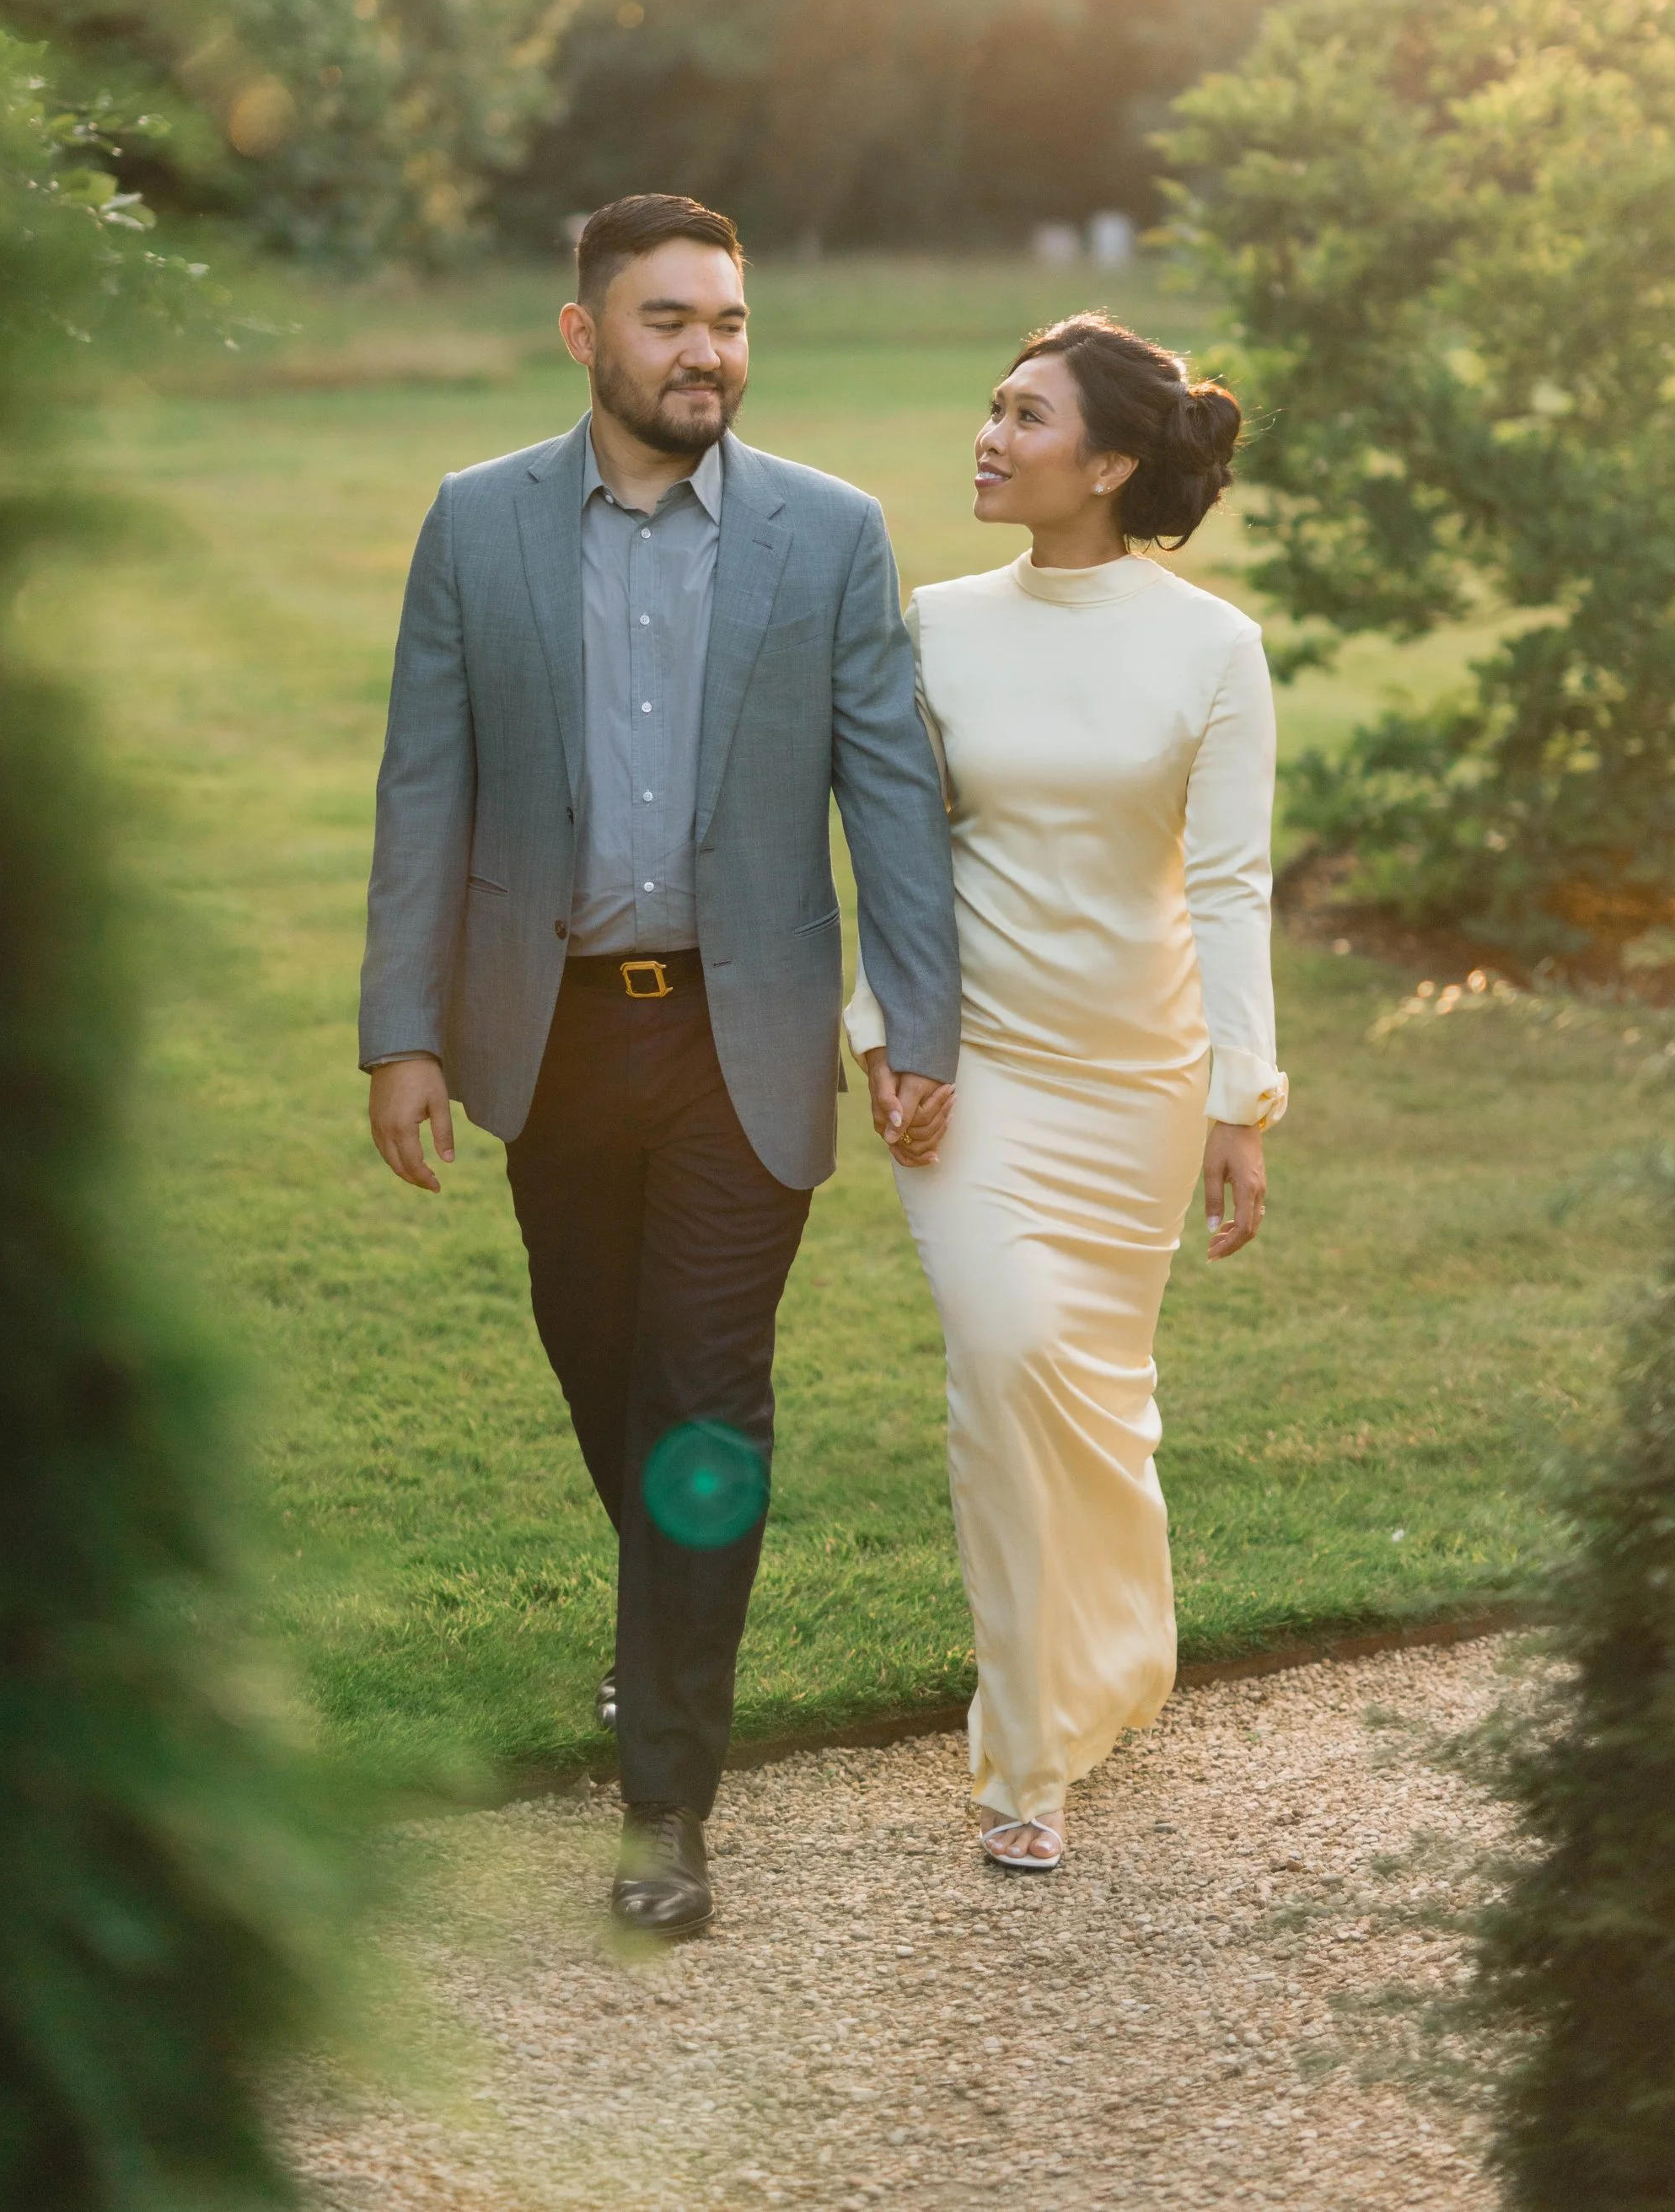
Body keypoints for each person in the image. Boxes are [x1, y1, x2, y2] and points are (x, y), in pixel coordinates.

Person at [358, 193, 958, 1939]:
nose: (708, 350)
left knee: (704, 1393)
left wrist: (913, 1020)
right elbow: (425, 785)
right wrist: (401, 1027)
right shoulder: (475, 525)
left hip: (740, 1037)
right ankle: (663, 1624)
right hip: (548, 1035)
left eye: (729, 319)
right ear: (586, 335)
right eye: (669, 319)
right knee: (602, 1361)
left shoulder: (825, 534)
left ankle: (666, 1797)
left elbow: (888, 797)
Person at [846, 311, 1285, 1872]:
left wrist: (1244, 1097)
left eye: (1025, 418)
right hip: (977, 1074)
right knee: (1007, 1361)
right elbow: (894, 860)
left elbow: (1230, 885)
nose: (989, 435)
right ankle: (1026, 1754)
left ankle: (1115, 1659)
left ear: (1106, 463)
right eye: (990, 407)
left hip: (1138, 1086)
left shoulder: (1212, 649)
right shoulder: (935, 623)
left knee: (1090, 1392)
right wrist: (886, 1029)